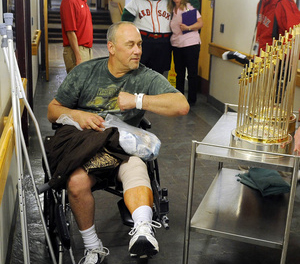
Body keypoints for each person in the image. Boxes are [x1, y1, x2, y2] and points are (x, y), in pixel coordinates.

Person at [47, 21, 190, 264]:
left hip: (122, 145)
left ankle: (143, 231)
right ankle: (93, 247)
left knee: (136, 167)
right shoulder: (85, 72)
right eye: (130, 45)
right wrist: (78, 115)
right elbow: (52, 110)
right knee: (76, 182)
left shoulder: (144, 76)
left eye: (139, 45)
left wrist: (138, 101)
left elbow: (182, 106)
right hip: (86, 144)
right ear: (112, 48)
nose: (138, 51)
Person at [121, 0, 200, 75]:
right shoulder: (136, 2)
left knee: (161, 72)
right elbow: (125, 21)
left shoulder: (169, 2)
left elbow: (193, 4)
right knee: (139, 69)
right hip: (144, 41)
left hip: (164, 42)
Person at [168, 0, 203, 105]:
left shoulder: (188, 7)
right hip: (176, 44)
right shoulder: (170, 10)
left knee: (191, 73)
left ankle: (192, 100)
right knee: (179, 73)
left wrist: (188, 27)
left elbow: (200, 23)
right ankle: (180, 98)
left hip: (190, 43)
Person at [60, 0, 94, 73]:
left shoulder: (83, 2)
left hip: (86, 50)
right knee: (78, 83)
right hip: (77, 51)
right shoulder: (69, 2)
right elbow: (70, 31)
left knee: (86, 82)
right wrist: (78, 57)